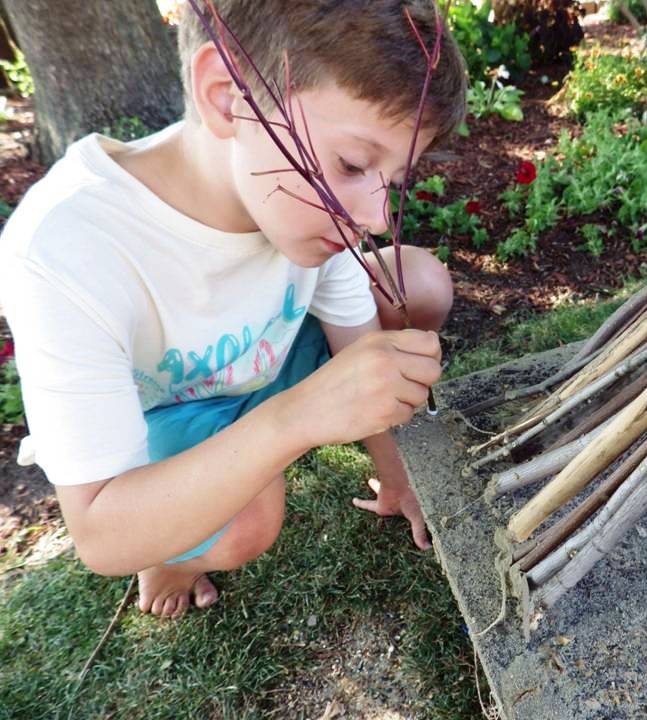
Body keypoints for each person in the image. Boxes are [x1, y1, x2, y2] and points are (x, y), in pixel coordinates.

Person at [0, 0, 466, 619]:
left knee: (422, 284)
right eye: (352, 165)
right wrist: (296, 419)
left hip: (265, 360)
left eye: (393, 180)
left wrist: (398, 471)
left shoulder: (310, 213)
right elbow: (98, 534)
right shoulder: (66, 245)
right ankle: (172, 556)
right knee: (247, 521)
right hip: (172, 410)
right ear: (227, 97)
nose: (378, 216)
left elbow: (362, 350)